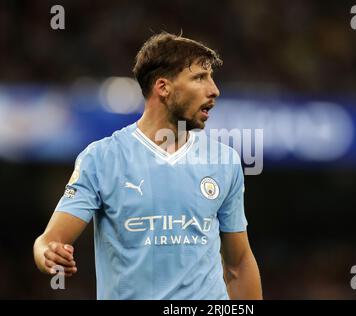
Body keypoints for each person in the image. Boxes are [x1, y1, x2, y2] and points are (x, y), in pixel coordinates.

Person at [33, 32, 262, 300]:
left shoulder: (224, 160)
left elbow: (239, 264)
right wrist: (48, 253)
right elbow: (49, 240)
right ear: (163, 87)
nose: (214, 90)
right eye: (200, 77)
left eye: (211, 78)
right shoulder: (102, 158)